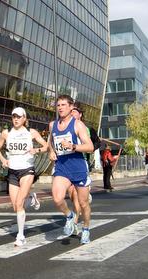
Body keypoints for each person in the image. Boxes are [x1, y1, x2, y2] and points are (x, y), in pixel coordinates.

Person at [0, 107, 48, 246]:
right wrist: (3, 160)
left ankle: (21, 235)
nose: (16, 119)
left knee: (19, 203)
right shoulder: (6, 133)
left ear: (24, 118)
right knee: (15, 206)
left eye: (19, 117)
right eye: (14, 117)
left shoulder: (31, 132)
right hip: (12, 171)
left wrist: (36, 150)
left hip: (27, 170)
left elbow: (46, 146)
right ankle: (32, 199)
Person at [48, 95, 94, 244]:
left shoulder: (77, 125)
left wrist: (74, 146)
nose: (60, 107)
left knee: (83, 203)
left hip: (78, 168)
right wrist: (51, 151)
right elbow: (51, 141)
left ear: (70, 107)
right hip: (62, 167)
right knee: (57, 197)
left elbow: (90, 147)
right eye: (58, 105)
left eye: (63, 105)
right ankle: (69, 216)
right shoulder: (52, 125)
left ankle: (86, 228)